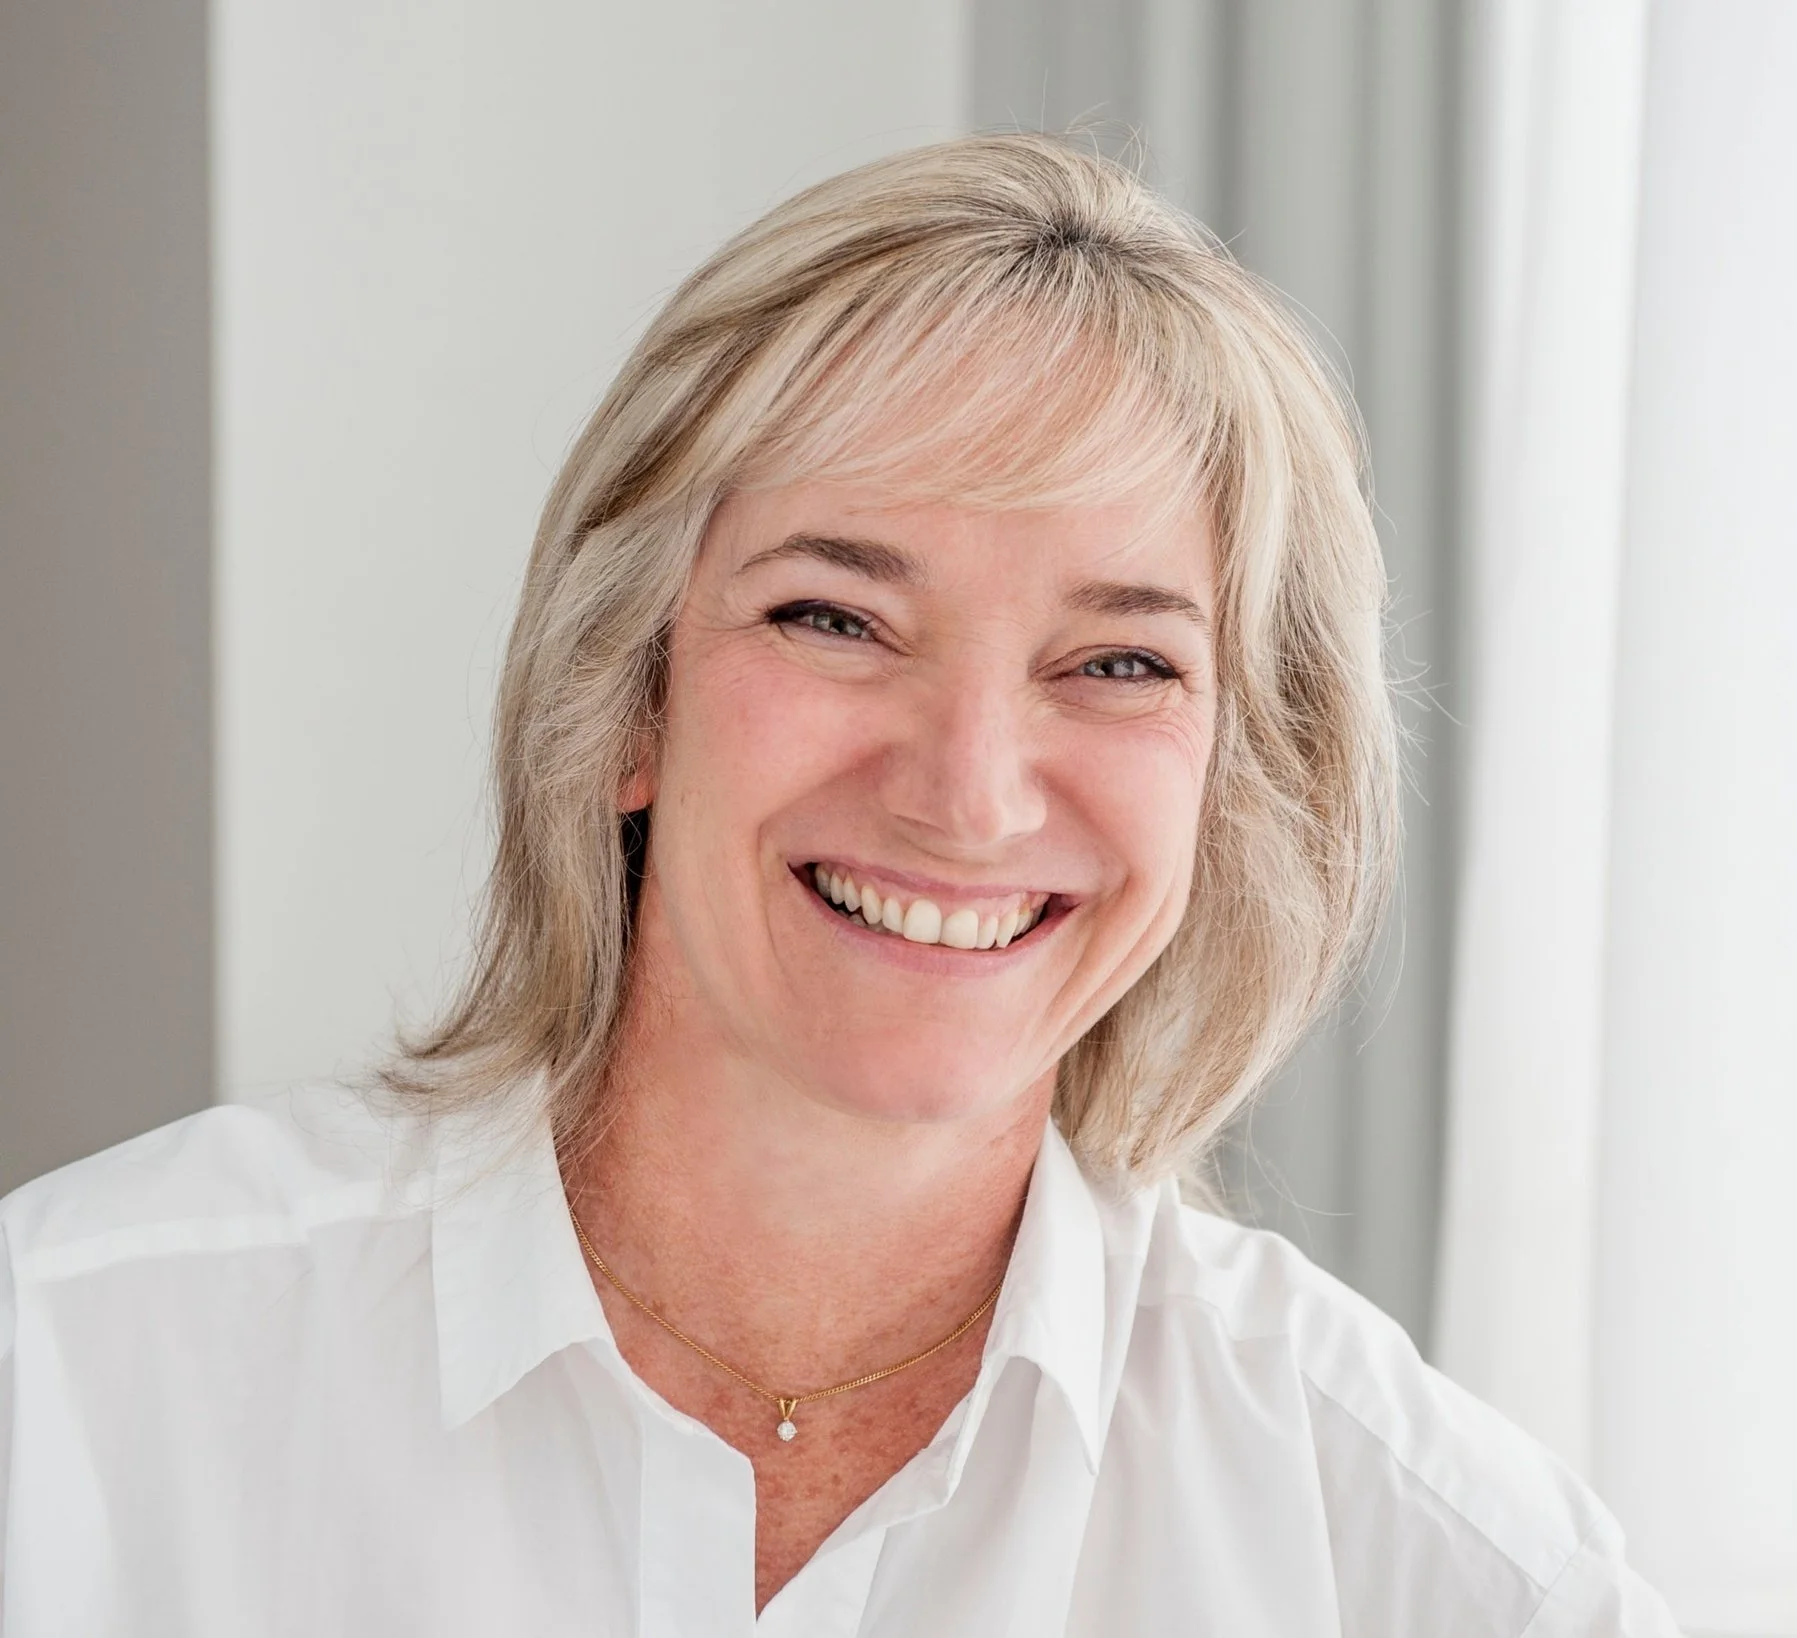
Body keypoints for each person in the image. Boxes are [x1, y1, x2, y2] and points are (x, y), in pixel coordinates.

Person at [0, 134, 1677, 1635]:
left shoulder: (1432, 1559)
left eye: (1119, 662)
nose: (970, 791)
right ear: (629, 696)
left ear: (1230, 786)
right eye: (836, 617)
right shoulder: (71, 1375)